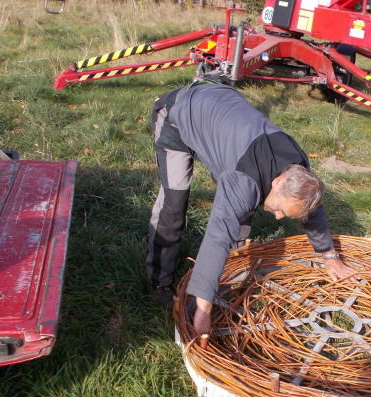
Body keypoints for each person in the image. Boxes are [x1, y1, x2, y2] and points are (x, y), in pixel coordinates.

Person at [146, 77, 355, 335]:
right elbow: (217, 236)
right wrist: (203, 308)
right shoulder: (243, 180)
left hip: (221, 119)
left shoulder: (298, 167)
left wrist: (329, 256)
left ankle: (226, 277)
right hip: (179, 115)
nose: (277, 217)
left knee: (241, 211)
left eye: (284, 214)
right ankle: (159, 282)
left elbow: (311, 209)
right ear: (278, 181)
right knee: (173, 205)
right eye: (280, 209)